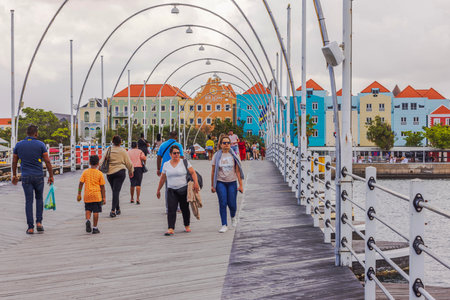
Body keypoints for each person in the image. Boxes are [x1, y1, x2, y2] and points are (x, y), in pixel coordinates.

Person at [12, 125, 54, 234]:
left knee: (28, 201)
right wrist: (51, 175)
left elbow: (14, 161)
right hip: (38, 176)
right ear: (36, 133)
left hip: (26, 177)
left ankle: (30, 227)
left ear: (27, 133)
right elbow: (48, 161)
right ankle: (39, 223)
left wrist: (14, 175)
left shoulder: (19, 145)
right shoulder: (40, 144)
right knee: (39, 199)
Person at [156, 145, 200, 236]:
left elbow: (193, 172)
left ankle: (187, 225)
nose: (176, 155)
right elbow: (162, 178)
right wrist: (158, 190)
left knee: (184, 208)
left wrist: (196, 183)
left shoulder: (184, 162)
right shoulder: (166, 164)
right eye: (174, 153)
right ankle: (171, 228)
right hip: (171, 190)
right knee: (171, 209)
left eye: (178, 153)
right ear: (170, 154)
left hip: (183, 189)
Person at [211, 135, 244, 233]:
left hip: (232, 182)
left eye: (228, 143)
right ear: (220, 145)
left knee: (232, 204)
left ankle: (233, 217)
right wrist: (212, 185)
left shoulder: (234, 156)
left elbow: (238, 171)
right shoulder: (216, 156)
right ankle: (224, 224)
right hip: (220, 182)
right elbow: (213, 171)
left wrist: (241, 185)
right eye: (224, 143)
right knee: (223, 202)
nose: (226, 145)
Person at [100, 135, 133, 218]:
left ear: (112, 142)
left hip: (110, 173)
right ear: (120, 142)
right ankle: (113, 210)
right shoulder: (123, 151)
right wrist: (131, 171)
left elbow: (102, 160)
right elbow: (128, 162)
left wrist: (98, 168)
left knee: (115, 191)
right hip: (120, 172)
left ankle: (117, 208)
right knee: (116, 191)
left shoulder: (108, 149)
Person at [77, 155, 105, 234]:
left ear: (89, 163)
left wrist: (79, 193)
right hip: (97, 196)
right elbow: (102, 186)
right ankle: (95, 228)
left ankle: (88, 220)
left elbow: (81, 183)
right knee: (96, 212)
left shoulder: (85, 172)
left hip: (87, 195)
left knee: (88, 210)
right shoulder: (99, 173)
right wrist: (104, 197)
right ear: (98, 163)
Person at [157, 131, 184, 212]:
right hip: (177, 169)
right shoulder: (178, 145)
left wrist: (158, 169)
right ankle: (178, 207)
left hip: (165, 170)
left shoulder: (163, 144)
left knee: (168, 189)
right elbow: (181, 157)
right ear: (176, 137)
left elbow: (158, 157)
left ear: (169, 136)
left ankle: (168, 208)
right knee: (178, 188)